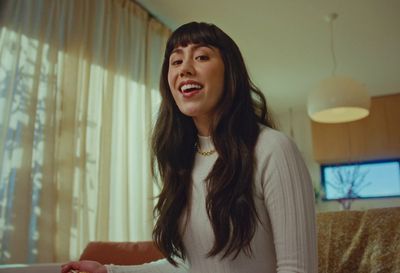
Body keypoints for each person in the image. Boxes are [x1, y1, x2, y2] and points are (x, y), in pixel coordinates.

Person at [61, 22, 317, 273]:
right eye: (176, 61)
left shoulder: (273, 148)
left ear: (231, 72)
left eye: (201, 56)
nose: (185, 69)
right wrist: (109, 271)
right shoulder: (182, 159)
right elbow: (186, 265)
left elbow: (297, 268)